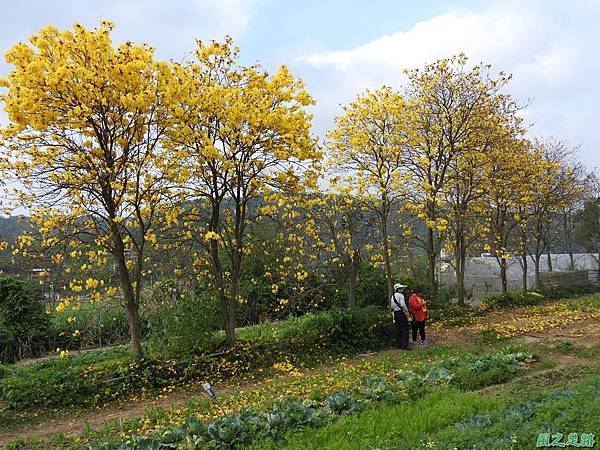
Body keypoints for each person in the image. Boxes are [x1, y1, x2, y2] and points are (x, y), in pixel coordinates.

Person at [390, 283, 410, 350]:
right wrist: (407, 312)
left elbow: (392, 306)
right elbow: (403, 305)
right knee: (404, 329)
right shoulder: (401, 295)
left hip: (396, 313)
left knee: (398, 329)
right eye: (401, 288)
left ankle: (399, 344)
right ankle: (405, 346)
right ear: (398, 289)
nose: (403, 289)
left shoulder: (393, 296)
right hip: (401, 313)